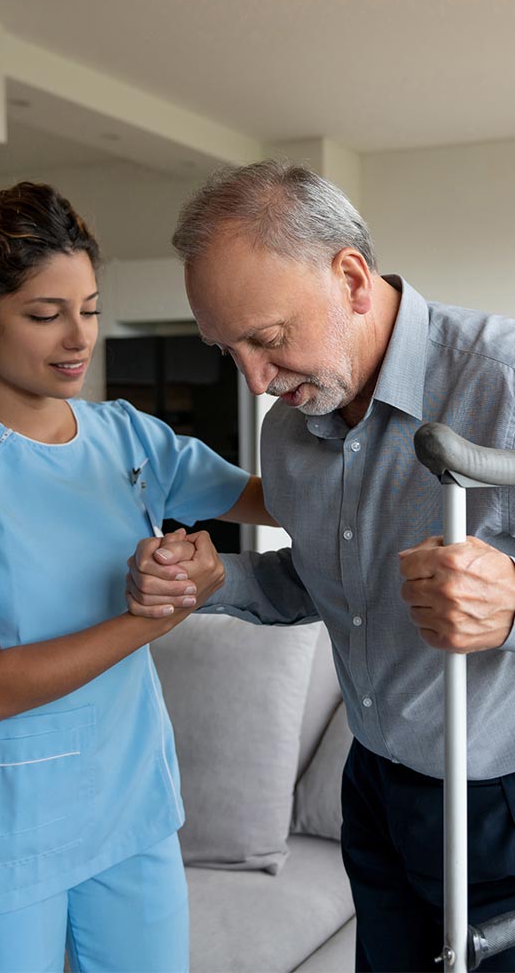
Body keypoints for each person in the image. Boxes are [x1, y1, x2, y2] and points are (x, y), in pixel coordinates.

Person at [0, 181, 274, 973]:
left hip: (129, 803)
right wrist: (159, 613)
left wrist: (331, 397)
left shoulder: (126, 435)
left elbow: (262, 495)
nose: (77, 337)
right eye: (44, 315)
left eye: (88, 307)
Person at [125, 161, 515, 972]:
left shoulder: (503, 380)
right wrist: (217, 582)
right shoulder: (291, 434)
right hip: (374, 783)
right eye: (227, 351)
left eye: (267, 340)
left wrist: (514, 602)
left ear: (351, 277)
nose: (257, 383)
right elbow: (325, 586)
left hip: (500, 793)